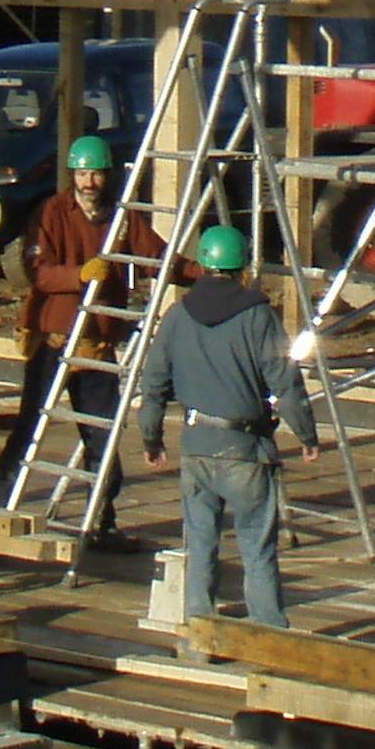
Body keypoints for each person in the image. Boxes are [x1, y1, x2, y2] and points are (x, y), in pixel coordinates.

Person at [140, 222, 316, 628]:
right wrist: (306, 434)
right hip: (246, 450)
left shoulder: (177, 316)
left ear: (202, 265)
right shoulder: (258, 316)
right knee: (257, 547)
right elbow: (284, 380)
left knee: (201, 544)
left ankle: (200, 636)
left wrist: (151, 438)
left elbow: (153, 383)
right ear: (243, 268)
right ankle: (269, 636)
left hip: (197, 447)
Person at [0, 134, 154, 539]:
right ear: (73, 177)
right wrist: (77, 275)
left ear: (107, 176)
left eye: (96, 175)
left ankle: (102, 520)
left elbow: (156, 256)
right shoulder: (51, 213)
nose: (89, 184)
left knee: (102, 433)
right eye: (82, 175)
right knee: (30, 428)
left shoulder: (121, 218)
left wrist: (211, 274)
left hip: (95, 344)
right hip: (52, 340)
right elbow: (38, 271)